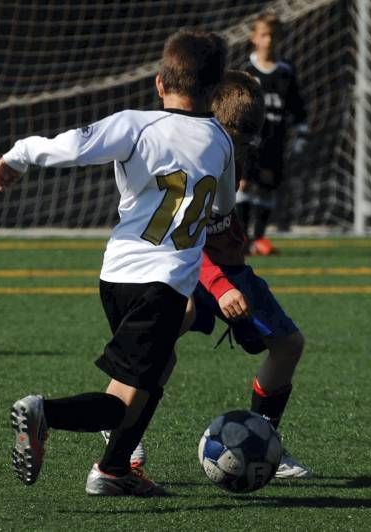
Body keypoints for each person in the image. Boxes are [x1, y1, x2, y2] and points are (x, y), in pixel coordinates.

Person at [0, 29, 234, 496]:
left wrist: (19, 154)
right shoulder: (221, 141)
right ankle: (45, 413)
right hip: (161, 285)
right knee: (122, 403)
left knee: (157, 369)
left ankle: (116, 470)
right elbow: (222, 206)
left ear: (161, 82)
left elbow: (73, 147)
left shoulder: (135, 124)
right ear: (215, 92)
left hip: (115, 275)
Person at [111, 71, 311, 479]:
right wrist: (218, 287)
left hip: (231, 269)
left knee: (288, 344)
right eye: (236, 141)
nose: (238, 151)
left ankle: (265, 435)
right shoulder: (192, 152)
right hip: (189, 266)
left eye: (245, 143)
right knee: (170, 325)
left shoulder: (236, 151)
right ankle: (117, 418)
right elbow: (184, 237)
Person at [240, 11, 308, 255]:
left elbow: (297, 105)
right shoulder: (247, 71)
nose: (268, 40)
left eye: (272, 35)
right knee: (243, 184)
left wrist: (301, 132)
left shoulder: (285, 72)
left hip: (274, 141)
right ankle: (242, 239)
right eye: (264, 35)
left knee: (267, 186)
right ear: (254, 38)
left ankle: (259, 237)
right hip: (248, 142)